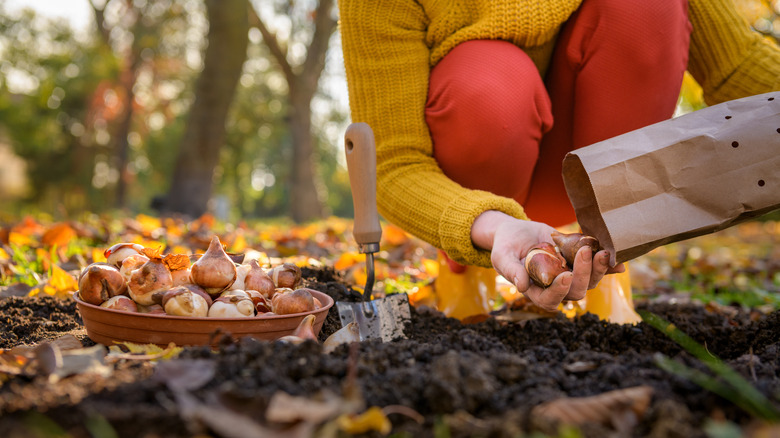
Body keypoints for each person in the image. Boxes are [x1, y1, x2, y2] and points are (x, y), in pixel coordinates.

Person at [338, 0, 780, 315]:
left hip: (587, 174)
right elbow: (396, 165)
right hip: (481, 189)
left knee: (646, 8)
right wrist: (491, 226)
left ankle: (610, 263)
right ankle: (464, 277)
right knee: (489, 79)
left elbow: (736, 66)